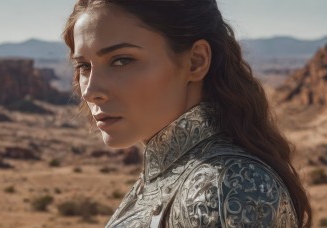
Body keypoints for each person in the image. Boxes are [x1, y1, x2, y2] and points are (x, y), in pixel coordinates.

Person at [62, 0, 312, 227]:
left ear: (196, 61)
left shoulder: (228, 187)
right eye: (84, 66)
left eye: (121, 60)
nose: (91, 91)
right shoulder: (168, 177)